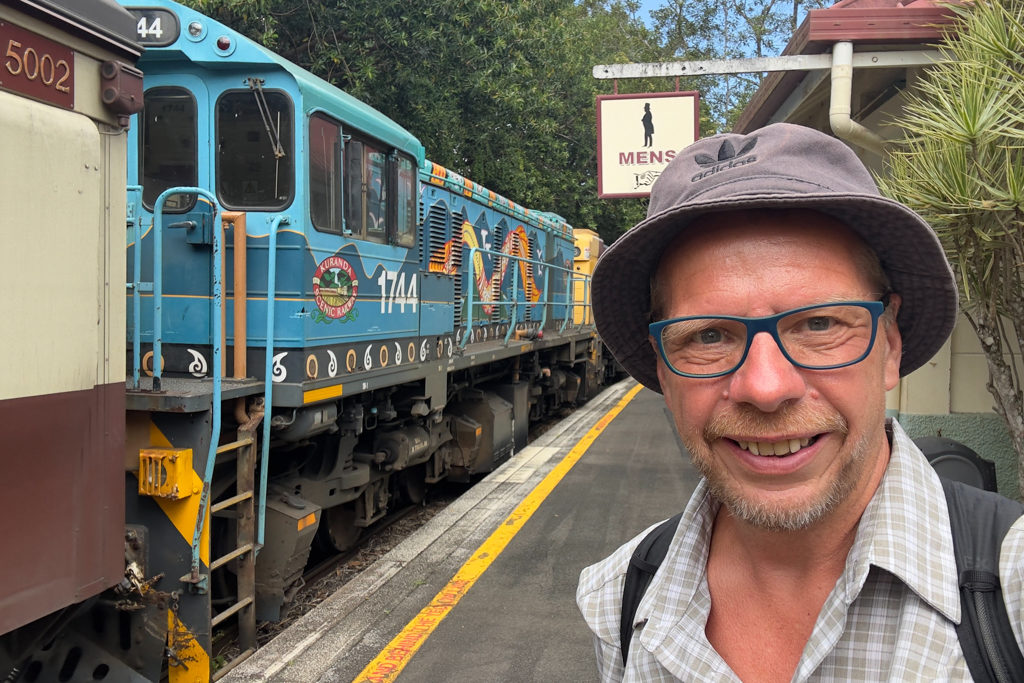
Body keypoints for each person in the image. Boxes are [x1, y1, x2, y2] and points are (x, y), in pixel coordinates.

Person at [576, 122, 1024, 681]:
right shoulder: (620, 602)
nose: (766, 389)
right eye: (709, 336)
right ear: (664, 371)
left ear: (888, 346)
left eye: (819, 323)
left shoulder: (1011, 593)